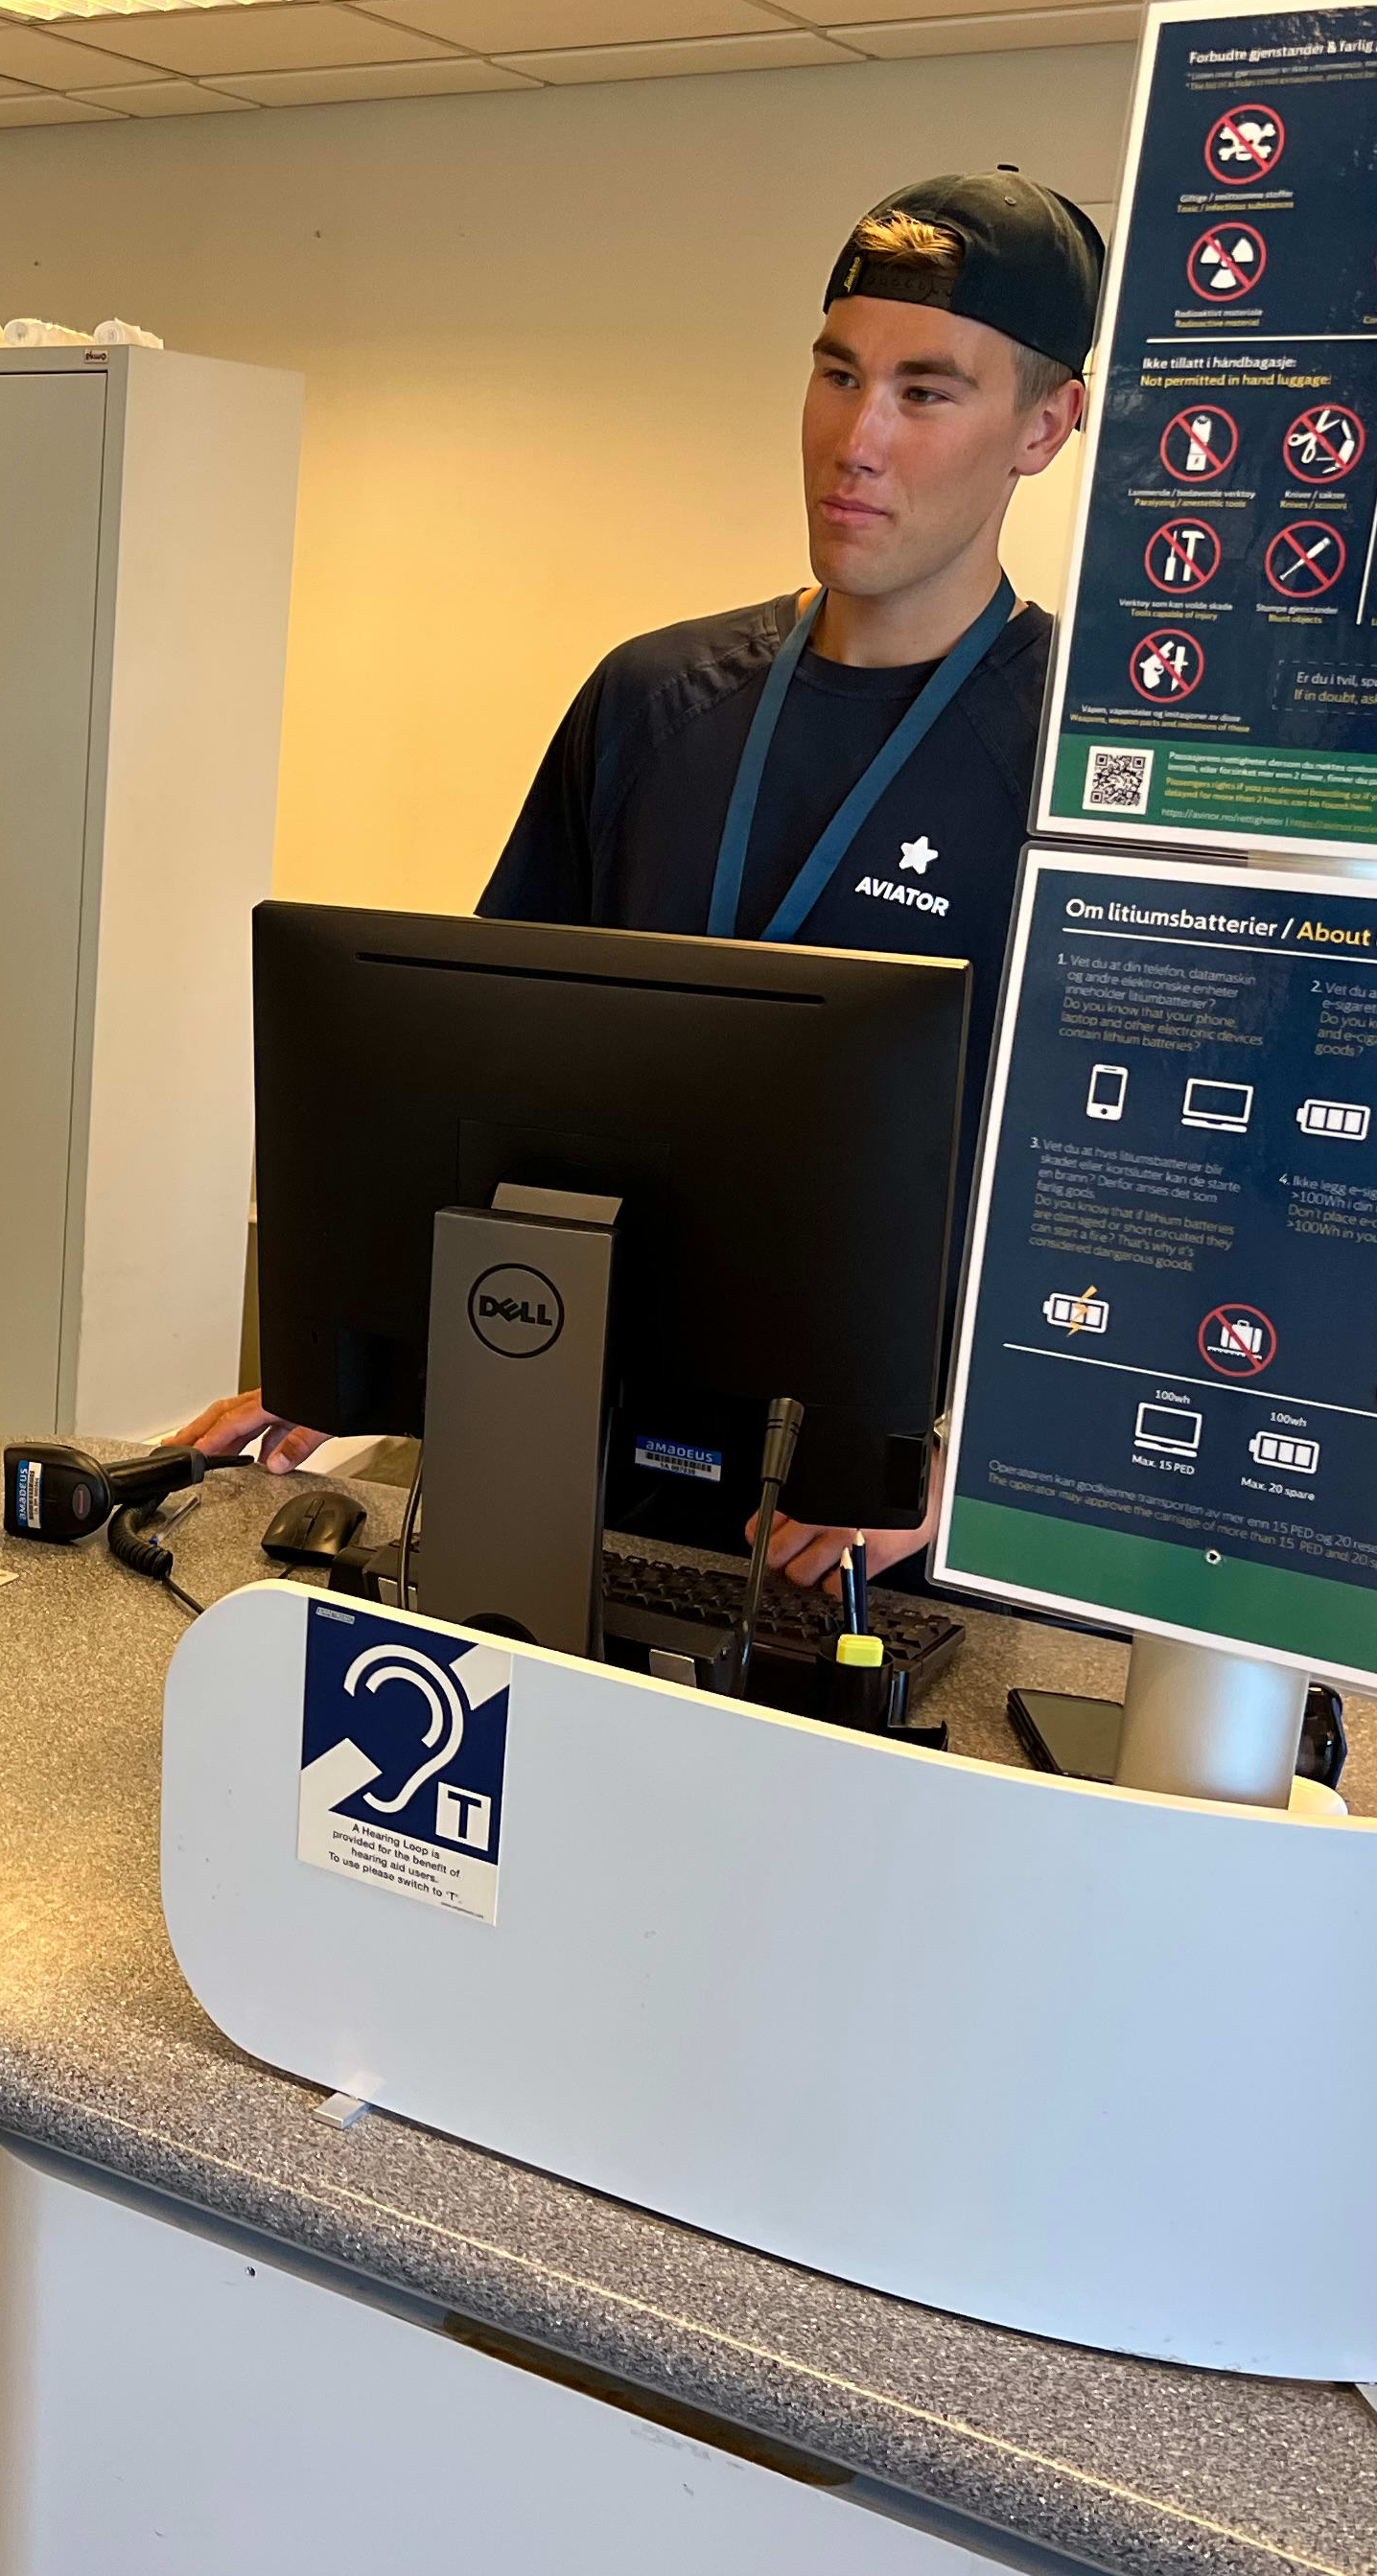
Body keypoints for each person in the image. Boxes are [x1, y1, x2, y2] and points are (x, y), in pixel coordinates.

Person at [193, 170, 1105, 1587]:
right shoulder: (654, 701)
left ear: (1044, 427)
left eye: (926, 393)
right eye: (837, 375)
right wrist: (365, 1363)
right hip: (580, 1465)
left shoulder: (1079, 768)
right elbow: (482, 1090)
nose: (856, 441)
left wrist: (986, 1460)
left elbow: (1135, 1201)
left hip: (876, 1526)